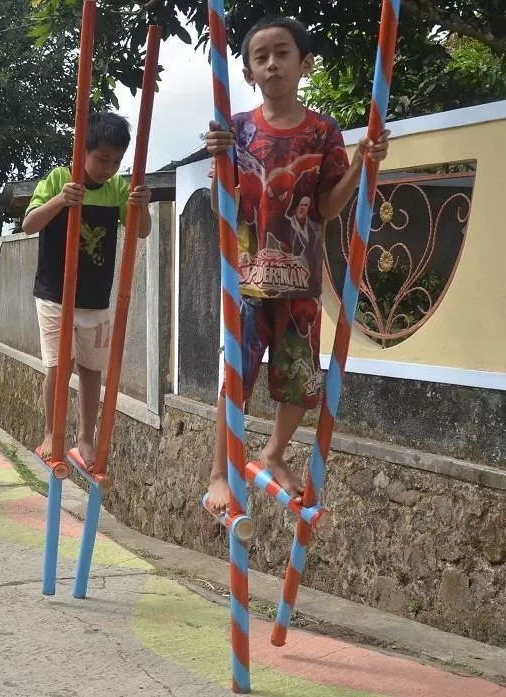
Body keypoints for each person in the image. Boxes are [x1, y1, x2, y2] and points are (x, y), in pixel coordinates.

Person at [203, 16, 389, 512]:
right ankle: (220, 472)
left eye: (282, 53)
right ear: (247, 73)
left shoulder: (323, 131)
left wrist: (361, 167)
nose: (271, 63)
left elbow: (328, 206)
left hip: (301, 277)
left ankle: (274, 452)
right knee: (235, 379)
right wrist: (217, 158)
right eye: (260, 57)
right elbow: (225, 201)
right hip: (245, 280)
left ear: (304, 63)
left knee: (300, 381)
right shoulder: (237, 129)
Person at [21, 111, 152, 471]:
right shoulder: (59, 179)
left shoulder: (118, 189)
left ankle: (86, 438)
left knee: (93, 370)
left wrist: (141, 204)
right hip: (54, 295)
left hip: (96, 298)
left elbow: (142, 231)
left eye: (116, 161)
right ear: (82, 151)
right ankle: (51, 432)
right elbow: (30, 224)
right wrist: (62, 200)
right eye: (102, 159)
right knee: (59, 367)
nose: (108, 168)